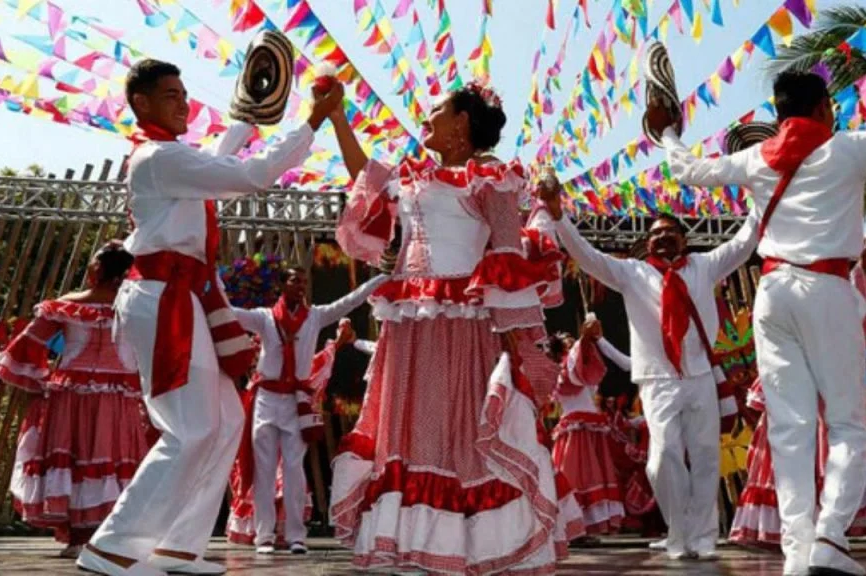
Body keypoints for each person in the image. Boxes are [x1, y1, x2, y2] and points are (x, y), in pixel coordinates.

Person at [648, 58, 866, 574]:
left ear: (779, 116)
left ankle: (798, 555)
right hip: (827, 291)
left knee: (789, 430)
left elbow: (687, 170)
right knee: (848, 425)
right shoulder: (849, 147)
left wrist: (666, 133)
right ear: (823, 109)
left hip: (772, 294)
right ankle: (830, 539)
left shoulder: (754, 159)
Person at [76, 59, 338, 576]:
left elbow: (215, 163)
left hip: (185, 297)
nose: (183, 103)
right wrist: (312, 121)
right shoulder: (158, 157)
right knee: (190, 428)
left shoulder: (170, 158)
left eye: (183, 93)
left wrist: (248, 116)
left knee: (226, 423)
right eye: (170, 95)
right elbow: (248, 176)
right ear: (141, 103)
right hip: (163, 299)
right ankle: (112, 547)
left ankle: (178, 546)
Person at [326, 76, 579, 574]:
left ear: (462, 122)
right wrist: (337, 118)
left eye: (439, 110)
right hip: (410, 324)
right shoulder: (415, 176)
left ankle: (467, 546)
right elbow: (365, 177)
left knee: (458, 434)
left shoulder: (491, 178)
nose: (428, 117)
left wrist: (520, 346)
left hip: (463, 324)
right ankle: (413, 545)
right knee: (408, 432)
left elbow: (506, 255)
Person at [537, 177, 758, 560]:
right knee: (663, 458)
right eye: (656, 234)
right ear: (648, 243)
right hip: (658, 380)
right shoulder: (632, 273)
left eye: (670, 232)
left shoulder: (705, 266)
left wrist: (762, 196)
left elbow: (743, 242)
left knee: (706, 456)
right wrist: (559, 218)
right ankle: (678, 530)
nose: (662, 238)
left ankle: (703, 537)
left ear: (684, 240)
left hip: (700, 375)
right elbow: (588, 256)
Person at [0, 242, 150, 559]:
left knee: (77, 456)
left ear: (97, 269)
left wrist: (39, 378)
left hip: (71, 392)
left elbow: (26, 346)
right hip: (119, 393)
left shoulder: (67, 305)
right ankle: (107, 536)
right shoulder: (138, 307)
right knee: (112, 457)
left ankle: (81, 537)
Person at [729, 264, 866, 548]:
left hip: (820, 387)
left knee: (817, 443)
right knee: (797, 444)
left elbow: (858, 314)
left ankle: (820, 528)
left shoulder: (836, 283)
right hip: (801, 383)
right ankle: (802, 529)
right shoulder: (798, 283)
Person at [229, 268, 385, 555]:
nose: (301, 286)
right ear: (282, 285)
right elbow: (231, 313)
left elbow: (349, 301)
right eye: (294, 281)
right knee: (264, 470)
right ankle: (264, 536)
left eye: (303, 281)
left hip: (296, 400)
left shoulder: (315, 316)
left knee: (294, 469)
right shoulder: (264, 318)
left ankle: (295, 536)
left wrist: (381, 278)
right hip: (266, 399)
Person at [549, 320, 626, 541]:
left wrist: (589, 339)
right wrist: (584, 337)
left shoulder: (579, 369)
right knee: (577, 477)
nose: (573, 345)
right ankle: (573, 526)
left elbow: (584, 355)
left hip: (589, 429)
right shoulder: (564, 372)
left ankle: (584, 527)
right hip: (576, 432)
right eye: (568, 343)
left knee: (591, 477)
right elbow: (579, 352)